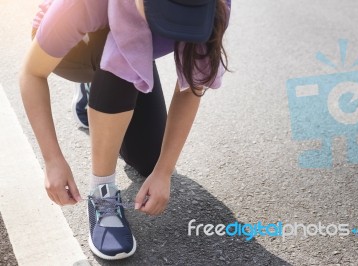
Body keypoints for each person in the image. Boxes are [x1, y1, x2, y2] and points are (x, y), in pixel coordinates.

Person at [20, 0, 231, 260]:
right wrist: (52, 160)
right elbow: (31, 73)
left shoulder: (215, 6)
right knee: (114, 54)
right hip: (73, 50)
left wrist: (163, 171)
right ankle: (102, 193)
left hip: (137, 44)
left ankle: (117, 81)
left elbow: (191, 87)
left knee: (150, 161)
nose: (179, 23)